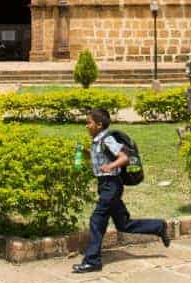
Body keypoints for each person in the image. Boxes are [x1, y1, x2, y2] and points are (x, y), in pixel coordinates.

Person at [73, 108, 170, 273]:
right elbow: (101, 158)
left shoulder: (107, 139)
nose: (86, 126)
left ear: (99, 124)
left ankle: (92, 260)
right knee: (123, 224)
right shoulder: (97, 140)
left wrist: (110, 166)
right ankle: (158, 226)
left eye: (88, 122)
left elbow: (124, 157)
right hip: (105, 185)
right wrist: (85, 153)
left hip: (111, 185)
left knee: (97, 220)